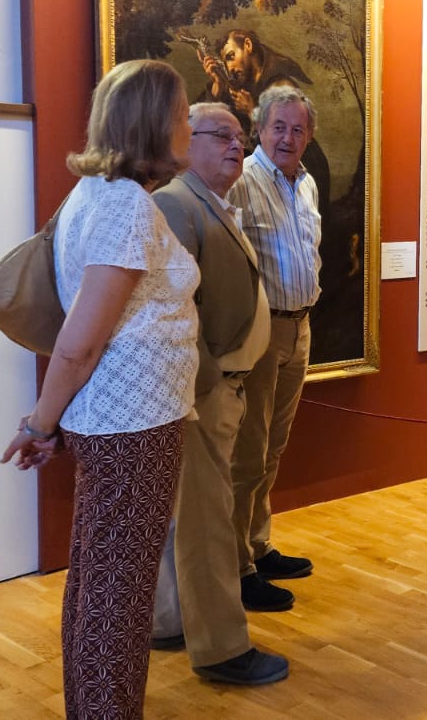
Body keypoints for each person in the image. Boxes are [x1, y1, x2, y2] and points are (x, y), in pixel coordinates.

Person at [0, 59, 200, 719]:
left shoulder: (99, 196)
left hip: (121, 423)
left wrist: (49, 423)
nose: (190, 124)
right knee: (119, 595)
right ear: (149, 123)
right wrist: (38, 424)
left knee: (98, 584)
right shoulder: (125, 206)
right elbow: (80, 340)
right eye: (180, 114)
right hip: (133, 428)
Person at [149, 102, 288, 685]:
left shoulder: (211, 203)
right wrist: (208, 381)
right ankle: (222, 648)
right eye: (221, 136)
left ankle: (170, 621)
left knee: (192, 517)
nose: (237, 145)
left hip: (221, 387)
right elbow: (175, 308)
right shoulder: (176, 203)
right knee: (207, 523)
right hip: (201, 391)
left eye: (239, 136)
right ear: (187, 141)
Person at [227, 85, 320, 611]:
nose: (288, 137)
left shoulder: (304, 184)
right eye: (278, 127)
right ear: (259, 128)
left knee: (274, 446)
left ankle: (258, 545)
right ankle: (238, 566)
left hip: (299, 328)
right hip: (260, 334)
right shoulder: (242, 181)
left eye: (298, 128)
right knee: (249, 451)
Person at [197, 30, 313, 124]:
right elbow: (193, 123)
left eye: (231, 57)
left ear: (248, 45)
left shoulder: (282, 87)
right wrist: (216, 87)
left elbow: (288, 139)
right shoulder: (236, 88)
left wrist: (251, 111)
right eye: (225, 63)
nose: (229, 68)